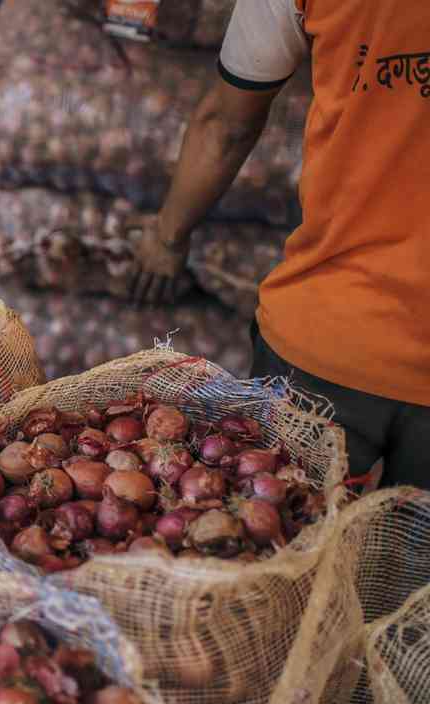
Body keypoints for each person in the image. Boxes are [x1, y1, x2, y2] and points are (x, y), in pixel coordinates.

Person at [129, 0, 429, 489]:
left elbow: (227, 125)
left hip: (331, 335)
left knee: (290, 552)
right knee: (412, 562)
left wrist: (167, 239)